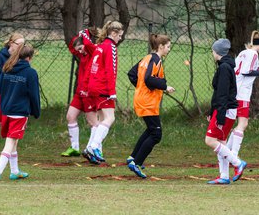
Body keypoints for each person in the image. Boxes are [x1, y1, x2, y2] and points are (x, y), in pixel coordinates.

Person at [126, 34, 175, 179]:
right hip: (147, 102)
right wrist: (165, 86)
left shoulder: (147, 58)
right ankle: (137, 162)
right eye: (168, 47)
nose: (169, 49)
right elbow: (148, 79)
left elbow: (132, 74)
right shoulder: (156, 60)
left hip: (143, 99)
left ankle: (133, 158)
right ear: (160, 47)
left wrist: (141, 89)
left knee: (151, 130)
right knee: (156, 134)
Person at [0, 44, 40, 181]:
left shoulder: (7, 68)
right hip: (19, 114)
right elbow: (34, 95)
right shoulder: (31, 73)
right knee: (10, 143)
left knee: (14, 142)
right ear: (29, 58)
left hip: (6, 111)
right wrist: (36, 111)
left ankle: (15, 171)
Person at [226, 31, 259, 176]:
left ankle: (229, 155)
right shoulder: (253, 54)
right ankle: (233, 157)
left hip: (237, 91)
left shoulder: (244, 52)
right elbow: (245, 72)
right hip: (242, 93)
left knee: (241, 124)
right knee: (242, 124)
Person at [205, 38, 247, 185]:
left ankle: (237, 163)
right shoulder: (226, 66)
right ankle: (224, 176)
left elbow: (222, 94)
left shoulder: (224, 68)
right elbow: (218, 93)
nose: (212, 53)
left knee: (210, 140)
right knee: (221, 142)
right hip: (226, 109)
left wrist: (220, 116)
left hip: (225, 110)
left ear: (217, 52)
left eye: (213, 50)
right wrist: (212, 110)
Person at [84, 21, 124, 162]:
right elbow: (110, 70)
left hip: (94, 87)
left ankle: (91, 147)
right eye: (119, 35)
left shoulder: (100, 46)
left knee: (101, 119)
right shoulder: (110, 47)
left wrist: (87, 87)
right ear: (113, 33)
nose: (120, 38)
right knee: (109, 118)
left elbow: (91, 68)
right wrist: (112, 91)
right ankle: (93, 147)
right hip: (103, 88)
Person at [60, 28, 100, 164]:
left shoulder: (92, 51)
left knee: (93, 122)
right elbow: (72, 48)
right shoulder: (82, 54)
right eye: (78, 50)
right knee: (70, 117)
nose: (80, 51)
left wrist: (85, 33)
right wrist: (79, 39)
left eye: (81, 48)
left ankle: (94, 149)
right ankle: (75, 148)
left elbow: (87, 45)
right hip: (79, 93)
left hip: (89, 93)